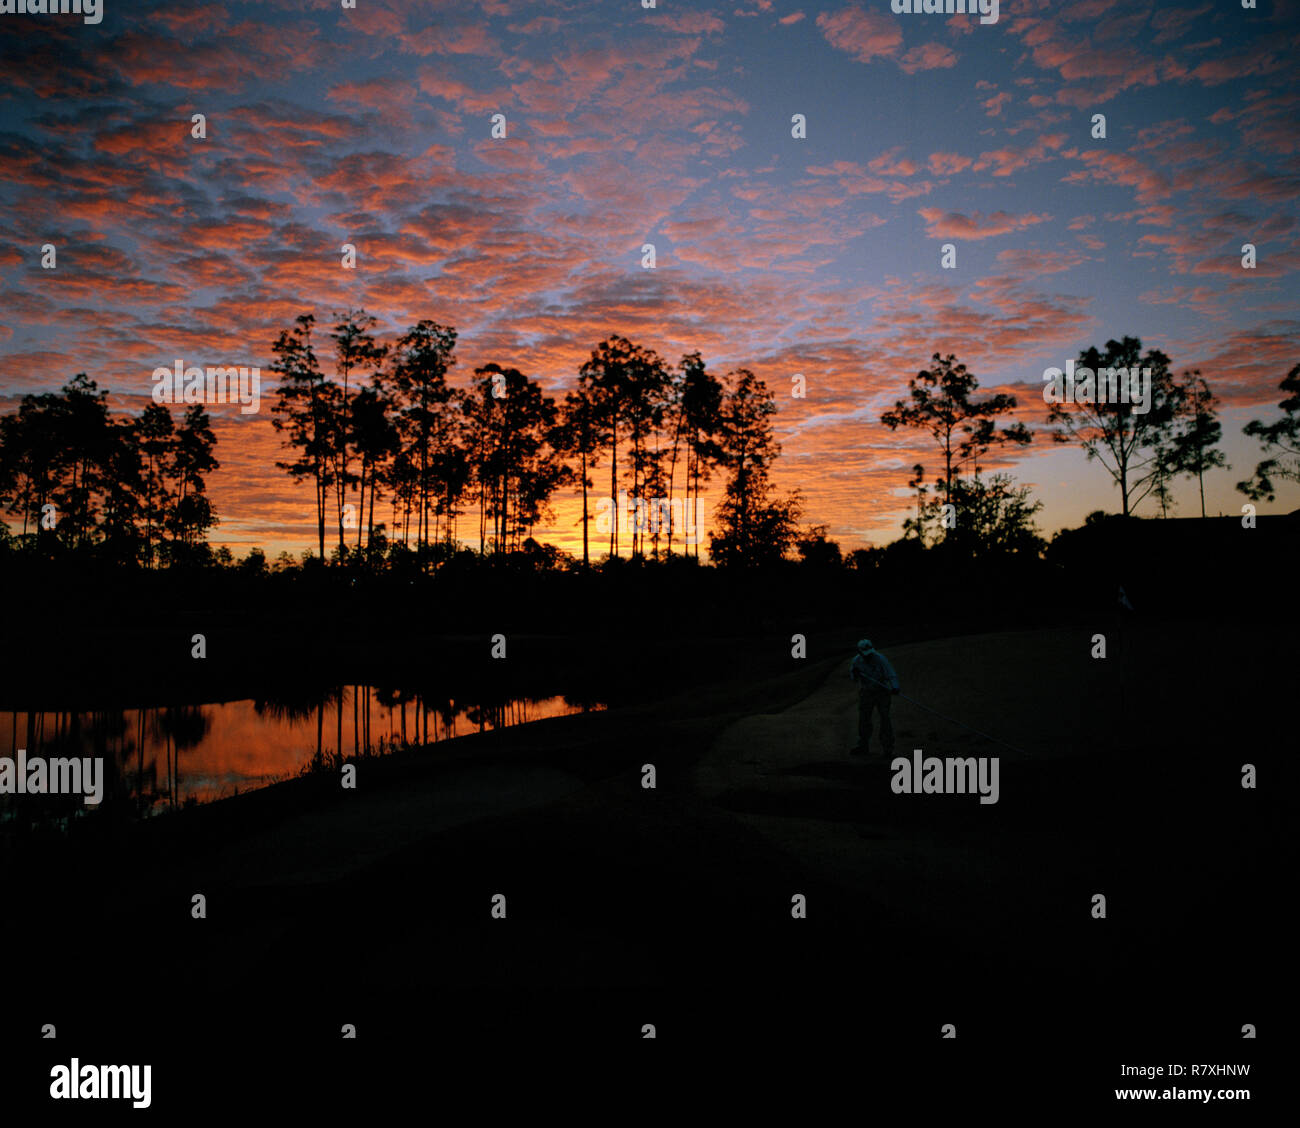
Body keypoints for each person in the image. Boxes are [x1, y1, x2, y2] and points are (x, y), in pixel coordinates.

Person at [849, 638, 899, 757]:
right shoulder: (856, 661)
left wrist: (895, 687)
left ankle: (888, 749)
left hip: (882, 691)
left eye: (869, 653)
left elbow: (891, 674)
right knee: (864, 719)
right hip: (866, 692)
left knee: (885, 719)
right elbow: (854, 678)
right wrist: (855, 674)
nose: (868, 656)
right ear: (860, 652)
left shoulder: (880, 658)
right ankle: (863, 746)